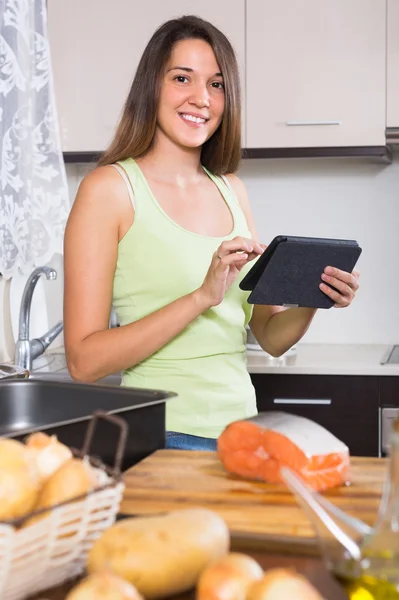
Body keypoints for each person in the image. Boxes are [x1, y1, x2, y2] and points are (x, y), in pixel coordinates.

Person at [63, 15, 360, 451]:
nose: (201, 99)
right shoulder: (109, 190)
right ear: (152, 87)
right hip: (160, 435)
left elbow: (271, 337)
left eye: (217, 84)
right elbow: (83, 362)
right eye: (183, 78)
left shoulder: (231, 189)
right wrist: (201, 296)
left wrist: (319, 296)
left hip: (241, 432)